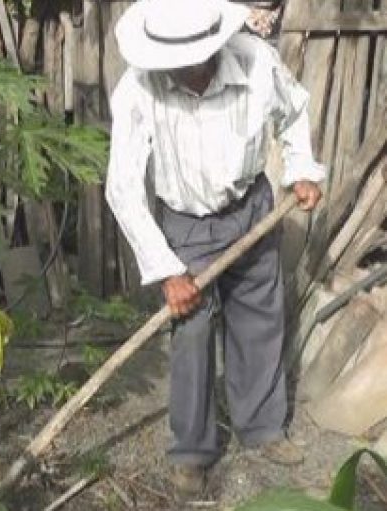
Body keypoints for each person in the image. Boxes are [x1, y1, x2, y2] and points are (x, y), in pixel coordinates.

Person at [105, 0, 325, 499]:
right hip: (186, 226)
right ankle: (192, 451)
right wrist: (166, 271)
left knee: (259, 317)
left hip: (252, 209)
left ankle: (263, 427)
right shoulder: (139, 88)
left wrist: (302, 170)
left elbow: (294, 111)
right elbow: (122, 187)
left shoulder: (255, 62)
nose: (181, 68)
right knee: (193, 334)